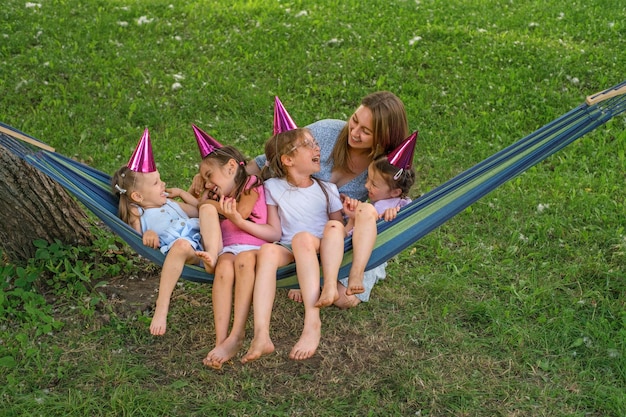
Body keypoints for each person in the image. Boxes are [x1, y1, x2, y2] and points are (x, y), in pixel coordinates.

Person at [247, 91, 409, 308]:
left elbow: (394, 199)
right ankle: (311, 270)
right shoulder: (325, 132)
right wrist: (228, 180)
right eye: (354, 120)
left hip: (345, 234)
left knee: (345, 299)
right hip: (299, 228)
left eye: (366, 131)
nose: (354, 131)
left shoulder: (386, 165)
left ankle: (329, 273)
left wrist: (388, 211)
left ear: (384, 139)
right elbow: (261, 163)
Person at [232, 128, 344, 362]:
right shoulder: (272, 187)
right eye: (309, 145)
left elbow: (338, 230)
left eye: (315, 143)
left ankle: (312, 322)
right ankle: (262, 335)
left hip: (319, 245)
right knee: (267, 250)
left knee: (302, 239)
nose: (317, 148)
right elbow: (274, 231)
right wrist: (239, 221)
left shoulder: (328, 189)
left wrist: (352, 218)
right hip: (288, 246)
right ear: (288, 160)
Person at [111, 129, 222, 337]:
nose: (163, 184)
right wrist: (147, 233)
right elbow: (138, 236)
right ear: (137, 196)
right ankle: (162, 307)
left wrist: (182, 193)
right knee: (181, 245)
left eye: (160, 179)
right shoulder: (138, 214)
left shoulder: (172, 204)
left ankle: (213, 256)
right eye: (156, 183)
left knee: (208, 209)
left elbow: (200, 208)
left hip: (205, 241)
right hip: (185, 250)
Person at [193, 144, 270, 369]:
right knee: (224, 270)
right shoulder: (220, 195)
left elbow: (242, 214)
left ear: (231, 167)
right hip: (229, 248)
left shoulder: (250, 183)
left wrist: (207, 202)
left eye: (209, 176)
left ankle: (236, 335)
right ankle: (221, 340)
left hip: (253, 247)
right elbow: (197, 207)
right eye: (204, 179)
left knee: (243, 266)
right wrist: (199, 193)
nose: (208, 184)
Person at [320, 131, 417, 306]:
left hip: (373, 256)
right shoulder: (369, 205)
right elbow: (350, 233)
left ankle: (353, 275)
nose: (366, 186)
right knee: (335, 226)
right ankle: (329, 278)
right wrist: (351, 217)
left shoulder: (400, 206)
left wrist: (395, 217)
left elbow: (409, 224)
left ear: (395, 192)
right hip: (349, 251)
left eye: (373, 184)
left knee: (345, 301)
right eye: (368, 180)